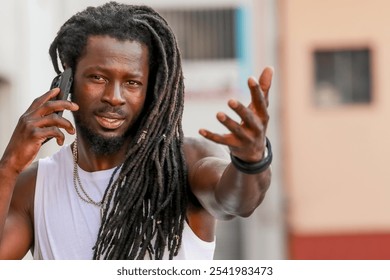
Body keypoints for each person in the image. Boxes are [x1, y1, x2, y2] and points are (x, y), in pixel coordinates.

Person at [0, 2, 273, 260]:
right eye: (98, 77)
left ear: (150, 91)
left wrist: (251, 161)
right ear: (67, 81)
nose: (115, 97)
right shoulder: (34, 186)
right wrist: (8, 166)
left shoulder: (186, 162)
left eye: (132, 83)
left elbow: (236, 202)